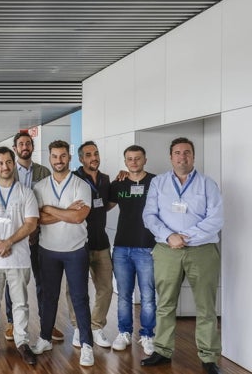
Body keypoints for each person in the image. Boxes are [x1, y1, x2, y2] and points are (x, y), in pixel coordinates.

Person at [141, 138, 223, 374]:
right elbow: (150, 216)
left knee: (206, 306)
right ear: (171, 157)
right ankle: (162, 351)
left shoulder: (208, 184)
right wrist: (169, 236)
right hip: (167, 251)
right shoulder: (158, 183)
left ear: (193, 156)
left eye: (187, 153)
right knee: (165, 304)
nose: (182, 157)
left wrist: (184, 236)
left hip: (202, 251)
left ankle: (208, 357)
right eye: (177, 153)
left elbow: (216, 219)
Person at [0, 146, 39, 365]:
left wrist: (9, 242)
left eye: (8, 162)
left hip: (18, 258)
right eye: (0, 163)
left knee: (20, 303)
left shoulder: (25, 192)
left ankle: (22, 343)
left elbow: (31, 223)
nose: (5, 166)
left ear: (14, 163)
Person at [32, 140, 94, 367]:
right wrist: (66, 211)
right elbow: (38, 220)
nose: (59, 160)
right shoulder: (40, 187)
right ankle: (45, 338)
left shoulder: (81, 185)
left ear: (69, 158)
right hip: (47, 250)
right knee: (49, 298)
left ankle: (87, 345)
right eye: (55, 156)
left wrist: (49, 209)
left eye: (63, 156)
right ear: (49, 158)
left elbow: (79, 217)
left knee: (80, 298)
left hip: (76, 250)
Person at [4, 132, 64, 343]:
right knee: (15, 282)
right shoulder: (8, 171)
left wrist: (36, 227)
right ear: (15, 147)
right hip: (16, 235)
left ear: (32, 146)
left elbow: (50, 200)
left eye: (28, 143)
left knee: (44, 283)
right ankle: (12, 322)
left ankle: (47, 324)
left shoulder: (44, 171)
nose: (25, 146)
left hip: (40, 235)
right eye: (21, 144)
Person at [109, 145, 156, 355]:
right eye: (130, 159)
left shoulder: (156, 182)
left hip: (147, 247)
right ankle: (124, 332)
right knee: (124, 295)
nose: (134, 162)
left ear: (145, 159)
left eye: (138, 158)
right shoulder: (118, 184)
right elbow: (103, 206)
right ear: (125, 162)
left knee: (147, 295)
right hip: (121, 247)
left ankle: (147, 334)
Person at [67, 141, 113, 348]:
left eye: (96, 153)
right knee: (75, 289)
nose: (93, 157)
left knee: (105, 287)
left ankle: (96, 326)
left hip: (101, 242)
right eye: (88, 155)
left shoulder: (105, 179)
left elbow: (109, 203)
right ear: (81, 159)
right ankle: (78, 327)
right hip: (78, 243)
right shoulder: (74, 179)